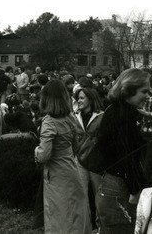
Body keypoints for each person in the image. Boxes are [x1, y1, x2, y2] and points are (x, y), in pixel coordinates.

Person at [95, 68, 150, 233]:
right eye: (144, 91)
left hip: (110, 184)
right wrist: (135, 188)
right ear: (129, 90)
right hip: (119, 188)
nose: (147, 96)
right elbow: (127, 156)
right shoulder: (124, 115)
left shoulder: (115, 110)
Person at [34, 79, 91, 234]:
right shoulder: (70, 118)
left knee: (58, 215)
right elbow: (76, 147)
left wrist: (36, 152)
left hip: (56, 174)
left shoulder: (49, 122)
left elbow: (44, 155)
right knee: (74, 213)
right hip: (71, 170)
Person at [74, 87, 105, 232]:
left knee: (99, 194)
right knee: (81, 193)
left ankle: (100, 227)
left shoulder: (102, 116)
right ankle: (85, 226)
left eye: (82, 98)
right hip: (79, 161)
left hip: (96, 162)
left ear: (91, 100)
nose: (78, 101)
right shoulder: (74, 116)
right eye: (78, 98)